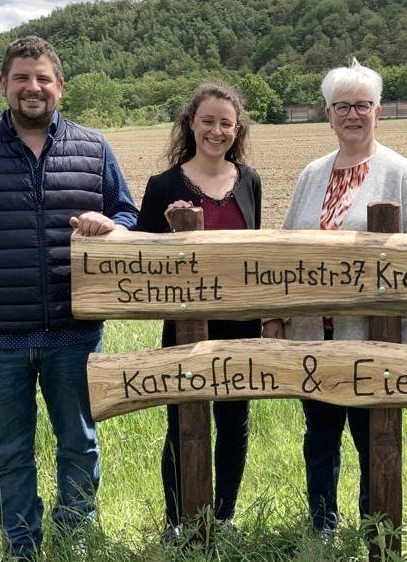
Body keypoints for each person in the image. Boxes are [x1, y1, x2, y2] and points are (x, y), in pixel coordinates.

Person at [0, 35, 139, 561]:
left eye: (43, 77)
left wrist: (111, 225)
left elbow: (128, 214)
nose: (33, 87)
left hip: (75, 333)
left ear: (60, 85)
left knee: (80, 444)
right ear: (3, 84)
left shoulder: (93, 148)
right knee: (8, 455)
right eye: (21, 77)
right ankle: (21, 547)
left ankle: (75, 539)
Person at [263, 59, 407, 538]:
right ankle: (323, 526)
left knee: (373, 439)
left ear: (379, 111)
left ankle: (376, 528)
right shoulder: (311, 174)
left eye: (362, 105)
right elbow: (285, 251)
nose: (352, 115)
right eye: (342, 106)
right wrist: (275, 317)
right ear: (328, 114)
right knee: (320, 438)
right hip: (313, 338)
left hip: (373, 339)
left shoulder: (399, 172)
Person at [135, 82, 263, 541]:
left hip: (241, 325)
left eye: (226, 123)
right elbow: (142, 262)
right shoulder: (162, 186)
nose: (217, 130)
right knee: (182, 425)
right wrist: (171, 234)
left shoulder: (250, 180)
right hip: (184, 328)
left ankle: (222, 519)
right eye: (207, 121)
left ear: (237, 128)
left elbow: (256, 256)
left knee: (233, 424)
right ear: (191, 123)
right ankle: (178, 521)